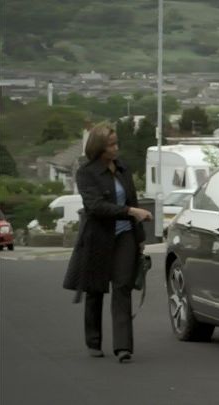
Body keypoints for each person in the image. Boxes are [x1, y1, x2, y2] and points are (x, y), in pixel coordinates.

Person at [63, 122, 153, 363]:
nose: (116, 148)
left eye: (116, 143)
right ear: (99, 148)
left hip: (125, 235)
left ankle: (123, 347)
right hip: (97, 238)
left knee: (122, 288)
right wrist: (131, 211)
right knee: (95, 290)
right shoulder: (86, 173)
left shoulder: (123, 169)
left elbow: (132, 200)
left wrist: (140, 239)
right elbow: (95, 207)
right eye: (111, 145)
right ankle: (93, 341)